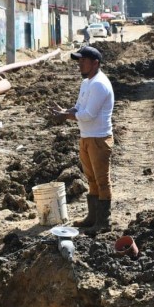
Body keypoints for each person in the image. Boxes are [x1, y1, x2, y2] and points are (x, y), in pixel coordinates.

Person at [51, 46, 114, 234]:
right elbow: (79, 107)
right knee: (92, 179)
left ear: (95, 63)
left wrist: (66, 117)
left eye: (83, 61)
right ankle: (92, 217)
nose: (80, 65)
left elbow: (88, 114)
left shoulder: (99, 84)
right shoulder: (87, 83)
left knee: (102, 181)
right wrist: (64, 111)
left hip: (99, 139)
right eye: (79, 61)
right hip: (87, 137)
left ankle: (104, 222)